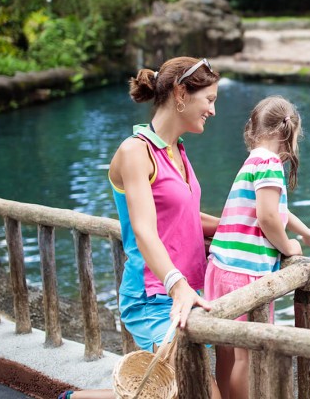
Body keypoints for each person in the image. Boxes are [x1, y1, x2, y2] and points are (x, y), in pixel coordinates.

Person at [59, 57, 223, 399]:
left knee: (160, 392)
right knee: (198, 394)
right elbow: (145, 230)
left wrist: (238, 228)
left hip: (191, 292)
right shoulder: (136, 152)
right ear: (181, 93)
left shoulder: (177, 150)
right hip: (154, 297)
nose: (212, 110)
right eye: (208, 100)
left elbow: (187, 218)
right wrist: (177, 285)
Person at [204, 95, 310, 399]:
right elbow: (268, 218)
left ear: (253, 129)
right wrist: (289, 247)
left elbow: (278, 209)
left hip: (220, 268)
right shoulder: (269, 164)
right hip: (245, 274)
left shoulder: (253, 161)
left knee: (225, 351)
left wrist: (306, 234)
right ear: (289, 134)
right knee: (247, 355)